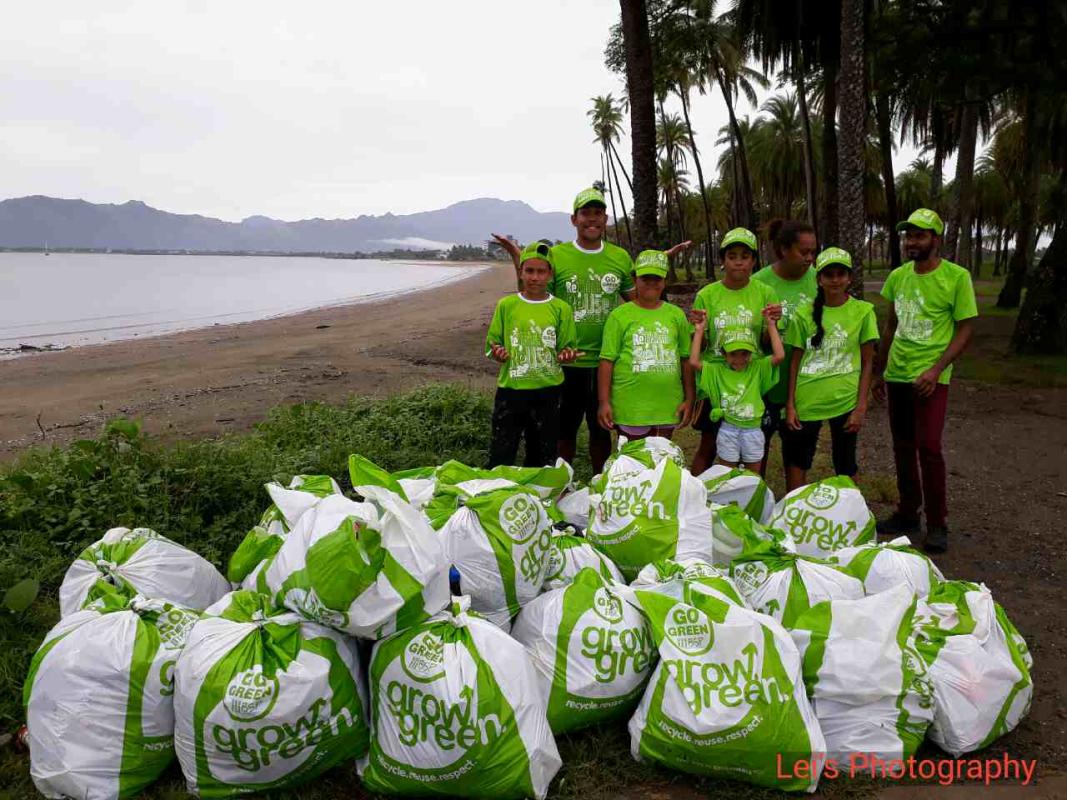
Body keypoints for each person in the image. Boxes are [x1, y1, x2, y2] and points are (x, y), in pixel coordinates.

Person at [492, 188, 688, 473]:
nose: (592, 219)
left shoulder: (620, 257)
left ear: (605, 219)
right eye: (585, 213)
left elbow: (640, 301)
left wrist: (657, 268)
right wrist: (516, 256)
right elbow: (533, 291)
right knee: (564, 431)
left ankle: (600, 481)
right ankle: (561, 483)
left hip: (608, 362)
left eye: (598, 213)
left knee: (601, 431)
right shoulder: (557, 256)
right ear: (574, 219)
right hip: (565, 362)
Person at [873, 208, 977, 554]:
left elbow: (965, 329)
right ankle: (907, 513)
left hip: (931, 378)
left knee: (929, 448)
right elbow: (891, 326)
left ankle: (937, 523)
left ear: (936, 239)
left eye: (919, 236)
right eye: (908, 236)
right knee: (902, 446)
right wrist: (879, 370)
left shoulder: (956, 277)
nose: (911, 242)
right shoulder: (898, 276)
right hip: (898, 374)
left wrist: (936, 369)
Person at [782, 247, 879, 490]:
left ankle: (851, 511)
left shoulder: (863, 312)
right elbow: (795, 361)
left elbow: (868, 361)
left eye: (840, 274)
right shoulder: (803, 314)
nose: (835, 280)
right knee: (798, 460)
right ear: (819, 279)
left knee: (846, 462)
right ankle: (794, 509)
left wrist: (861, 406)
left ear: (849, 278)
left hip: (844, 399)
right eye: (829, 274)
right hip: (808, 398)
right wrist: (790, 404)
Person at [688, 227, 781, 474]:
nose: (738, 262)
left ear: (753, 261)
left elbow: (766, 342)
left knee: (755, 446)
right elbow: (701, 343)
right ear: (722, 260)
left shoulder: (765, 293)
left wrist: (774, 322)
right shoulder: (707, 295)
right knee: (709, 444)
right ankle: (696, 492)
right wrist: (696, 329)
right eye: (732, 256)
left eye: (745, 256)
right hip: (716, 379)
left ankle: (751, 494)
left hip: (750, 381)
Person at [485, 241, 581, 468]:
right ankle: (500, 486)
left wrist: (567, 355)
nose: (535, 277)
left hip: (548, 391)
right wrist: (498, 353)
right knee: (502, 451)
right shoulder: (506, 305)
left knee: (543, 455)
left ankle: (538, 488)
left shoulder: (561, 308)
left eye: (541, 271)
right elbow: (492, 344)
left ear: (550, 274)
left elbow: (568, 347)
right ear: (521, 272)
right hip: (511, 391)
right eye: (529, 271)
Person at [597, 250, 694, 441]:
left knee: (661, 455)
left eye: (657, 278)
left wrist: (689, 399)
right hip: (630, 408)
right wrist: (604, 402)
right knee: (632, 457)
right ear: (635, 279)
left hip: (667, 405)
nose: (651, 283)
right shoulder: (619, 316)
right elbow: (607, 361)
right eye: (645, 278)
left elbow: (685, 359)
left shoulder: (676, 315)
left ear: (665, 281)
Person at [753, 219, 818, 476]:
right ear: (783, 250)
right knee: (755, 453)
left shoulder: (819, 281)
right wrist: (770, 328)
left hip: (803, 385)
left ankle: (794, 500)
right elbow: (750, 338)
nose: (810, 258)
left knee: (797, 456)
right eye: (804, 252)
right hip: (764, 386)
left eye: (813, 252)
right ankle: (753, 498)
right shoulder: (759, 283)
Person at [688, 313, 784, 471]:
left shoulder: (757, 369)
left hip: (753, 429)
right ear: (723, 354)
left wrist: (771, 325)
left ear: (752, 353)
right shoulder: (716, 371)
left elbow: (779, 356)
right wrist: (699, 330)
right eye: (733, 354)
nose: (739, 359)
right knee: (726, 472)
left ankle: (751, 489)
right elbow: (693, 362)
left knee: (753, 474)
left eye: (744, 353)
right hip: (728, 429)